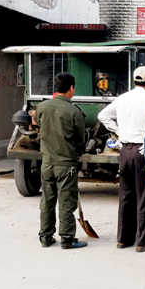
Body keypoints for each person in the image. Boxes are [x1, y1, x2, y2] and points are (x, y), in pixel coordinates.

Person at [99, 66, 145, 252]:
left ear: (134, 81)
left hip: (124, 150)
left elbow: (103, 115)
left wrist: (119, 131)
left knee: (126, 195)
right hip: (142, 151)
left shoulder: (122, 98)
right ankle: (142, 241)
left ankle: (123, 239)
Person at [35, 72, 87, 250]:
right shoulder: (74, 111)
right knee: (66, 201)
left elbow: (38, 124)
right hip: (66, 164)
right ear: (71, 88)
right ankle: (67, 238)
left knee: (47, 200)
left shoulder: (42, 107)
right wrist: (76, 155)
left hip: (47, 163)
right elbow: (80, 140)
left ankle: (45, 236)